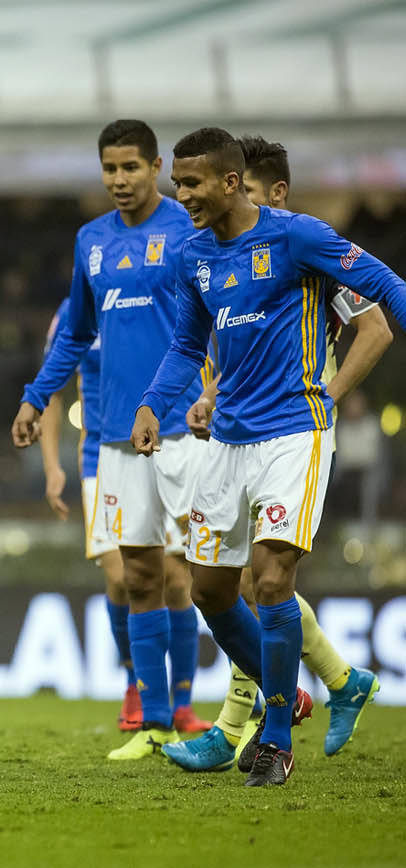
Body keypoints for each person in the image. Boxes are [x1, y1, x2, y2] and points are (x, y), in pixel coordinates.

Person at [132, 127, 406, 786]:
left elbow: (385, 288)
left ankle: (275, 734)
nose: (184, 196)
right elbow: (187, 342)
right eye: (179, 185)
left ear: (230, 182)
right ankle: (317, 690)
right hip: (227, 436)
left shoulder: (297, 237)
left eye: (194, 184)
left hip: (295, 430)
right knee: (209, 589)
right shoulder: (196, 255)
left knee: (274, 579)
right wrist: (153, 403)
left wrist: (336, 392)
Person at [12, 119, 210, 761]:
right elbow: (74, 333)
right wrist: (37, 397)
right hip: (113, 441)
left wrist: (215, 393)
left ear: (155, 167)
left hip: (183, 433)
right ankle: (154, 719)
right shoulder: (90, 241)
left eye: (131, 167)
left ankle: (207, 702)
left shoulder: (187, 229)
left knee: (197, 580)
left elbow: (217, 320)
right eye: (109, 168)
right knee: (137, 577)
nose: (119, 180)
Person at [36, 299, 141, 730]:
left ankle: (180, 696)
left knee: (176, 579)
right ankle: (135, 683)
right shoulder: (71, 311)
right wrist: (52, 467)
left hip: (164, 447)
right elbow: (51, 389)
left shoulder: (156, 289)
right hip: (101, 457)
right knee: (119, 577)